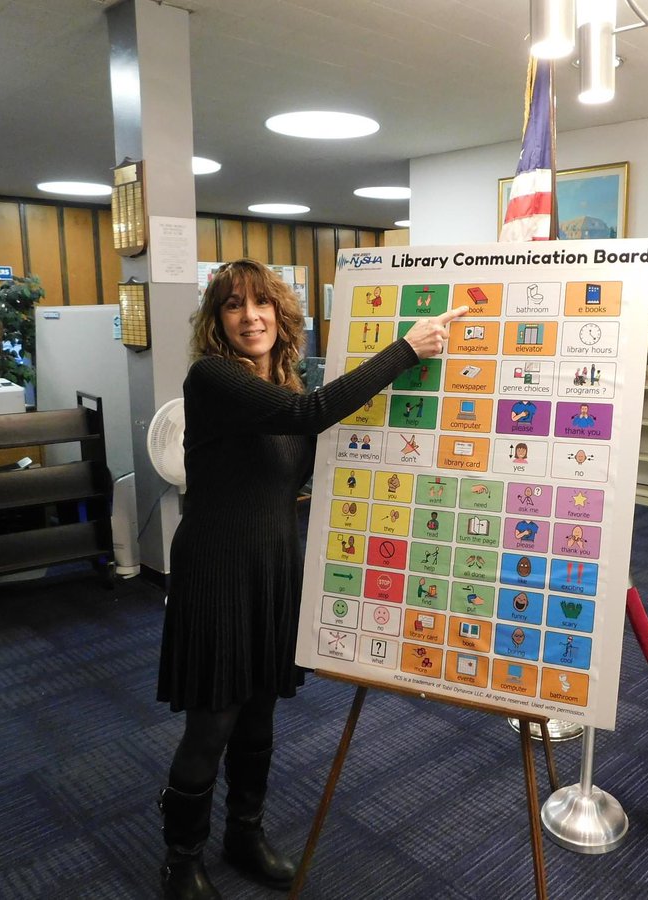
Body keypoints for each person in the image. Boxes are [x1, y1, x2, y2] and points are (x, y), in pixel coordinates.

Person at [156, 258, 465, 899]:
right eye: (235, 306)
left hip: (272, 563)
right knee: (213, 721)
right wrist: (406, 348)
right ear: (217, 321)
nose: (251, 317)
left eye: (263, 304)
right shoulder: (212, 378)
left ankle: (244, 833)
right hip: (217, 568)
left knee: (260, 713)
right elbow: (312, 414)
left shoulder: (284, 377)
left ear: (281, 314)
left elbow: (309, 450)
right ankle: (181, 861)